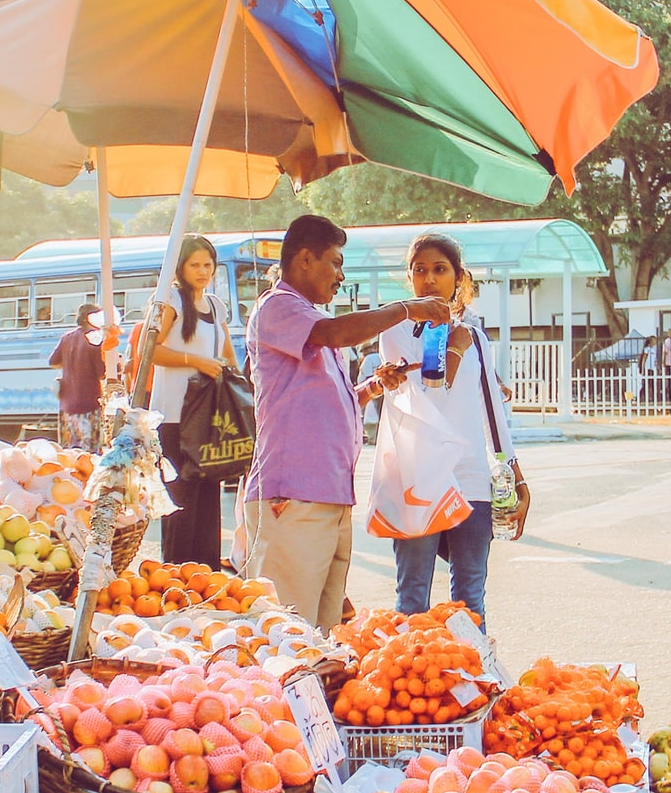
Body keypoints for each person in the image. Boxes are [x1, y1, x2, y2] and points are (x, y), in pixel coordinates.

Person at [241, 215, 451, 630]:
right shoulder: (279, 306)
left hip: (327, 496)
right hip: (293, 497)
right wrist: (406, 308)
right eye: (335, 263)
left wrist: (373, 387)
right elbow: (338, 333)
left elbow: (327, 402)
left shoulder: (309, 318)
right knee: (287, 632)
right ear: (304, 259)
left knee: (320, 635)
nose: (340, 275)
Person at [376, 232, 530, 622]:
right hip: (418, 478)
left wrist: (515, 473)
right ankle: (410, 677)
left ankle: (473, 679)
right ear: (408, 278)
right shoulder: (395, 330)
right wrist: (454, 348)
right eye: (420, 270)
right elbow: (429, 394)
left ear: (457, 278)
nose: (429, 279)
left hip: (471, 477)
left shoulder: (474, 334)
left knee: (469, 599)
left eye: (440, 270)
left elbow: (491, 409)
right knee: (412, 599)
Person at [148, 235, 241, 570]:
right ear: (180, 269)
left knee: (208, 496)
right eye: (195, 265)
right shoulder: (169, 302)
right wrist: (196, 361)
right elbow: (150, 352)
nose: (203, 271)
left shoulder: (216, 305)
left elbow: (228, 352)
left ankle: (205, 573)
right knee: (180, 498)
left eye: (207, 264)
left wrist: (241, 386)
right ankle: (175, 572)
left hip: (210, 416)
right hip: (173, 417)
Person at [50, 303, 104, 451]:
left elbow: (53, 362)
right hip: (89, 405)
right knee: (88, 456)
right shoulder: (94, 339)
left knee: (69, 454)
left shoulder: (67, 337)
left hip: (66, 406)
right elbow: (102, 373)